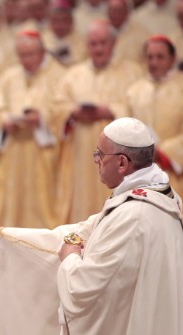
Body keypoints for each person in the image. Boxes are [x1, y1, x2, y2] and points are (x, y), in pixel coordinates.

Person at [0, 117, 183, 335]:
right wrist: (7, 237)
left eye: (99, 154)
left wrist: (70, 259)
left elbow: (82, 290)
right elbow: (84, 231)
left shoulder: (134, 215)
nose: (96, 161)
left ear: (122, 163)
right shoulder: (157, 196)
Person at [125, 36, 183, 282]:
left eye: (160, 57)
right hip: (140, 177)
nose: (154, 62)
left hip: (176, 175)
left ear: (172, 58)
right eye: (149, 57)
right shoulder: (134, 91)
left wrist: (164, 151)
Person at [53, 20, 143, 223]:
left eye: (103, 43)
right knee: (82, 204)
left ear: (114, 43)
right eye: (93, 44)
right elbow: (56, 108)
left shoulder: (132, 73)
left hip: (118, 154)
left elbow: (138, 109)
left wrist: (109, 111)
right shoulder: (73, 75)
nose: (98, 48)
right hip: (81, 153)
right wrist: (73, 112)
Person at [0, 30, 66, 229]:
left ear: (42, 52)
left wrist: (42, 119)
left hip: (43, 153)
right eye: (22, 55)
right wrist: (5, 120)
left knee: (42, 203)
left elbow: (63, 110)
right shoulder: (9, 76)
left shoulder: (59, 75)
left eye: (31, 54)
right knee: (13, 204)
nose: (26, 60)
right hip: (14, 153)